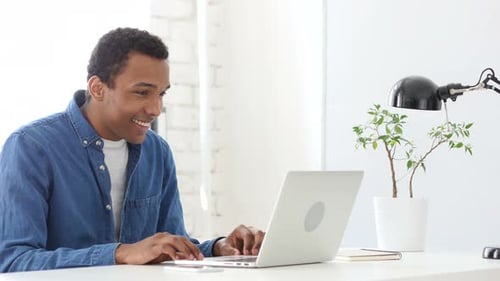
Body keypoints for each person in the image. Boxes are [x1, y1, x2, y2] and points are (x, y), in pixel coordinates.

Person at [0, 27, 264, 272]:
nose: (156, 109)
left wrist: (219, 248)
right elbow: (13, 261)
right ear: (98, 88)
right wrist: (120, 253)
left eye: (161, 94)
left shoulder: (157, 152)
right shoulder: (31, 147)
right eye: (142, 93)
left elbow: (170, 246)